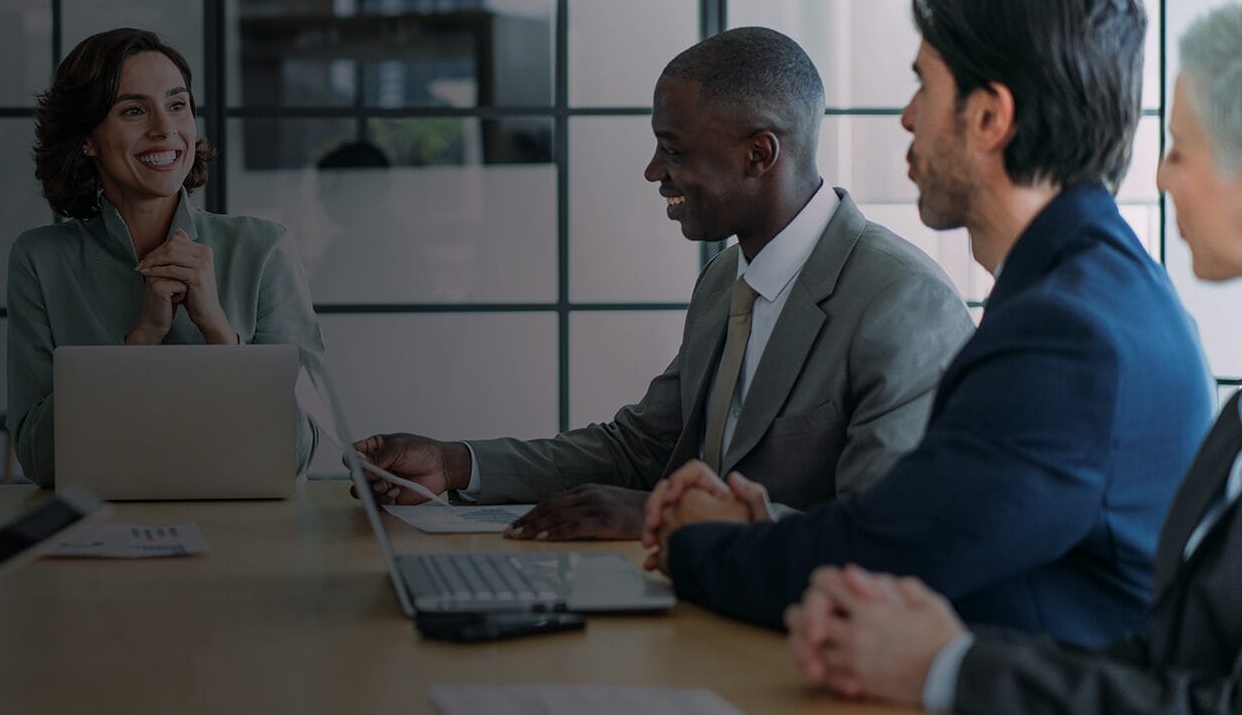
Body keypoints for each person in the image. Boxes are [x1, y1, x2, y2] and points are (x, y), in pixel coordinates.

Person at [646, 0, 1211, 649]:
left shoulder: (1069, 333)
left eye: (924, 86)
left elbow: (894, 557)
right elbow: (931, 526)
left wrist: (695, 541)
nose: (908, 118)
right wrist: (763, 529)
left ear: (988, 118)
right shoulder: (1097, 288)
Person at [781, 0, 1242, 715]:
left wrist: (950, 669)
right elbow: (1165, 660)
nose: (1159, 178)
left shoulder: (1074, 327)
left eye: (1180, 148)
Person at [353, 27, 972, 540]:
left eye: (672, 150)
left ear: (759, 155)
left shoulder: (902, 303)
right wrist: (456, 462)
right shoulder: (726, 279)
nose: (654, 172)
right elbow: (640, 450)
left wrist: (674, 522)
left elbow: (884, 534)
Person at [8, 28, 327, 487]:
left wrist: (219, 330)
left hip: (252, 537)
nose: (164, 128)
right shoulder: (39, 260)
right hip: (96, 535)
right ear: (87, 139)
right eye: (134, 110)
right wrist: (140, 341)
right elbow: (40, 463)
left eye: (177, 105)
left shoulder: (264, 249)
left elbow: (299, 453)